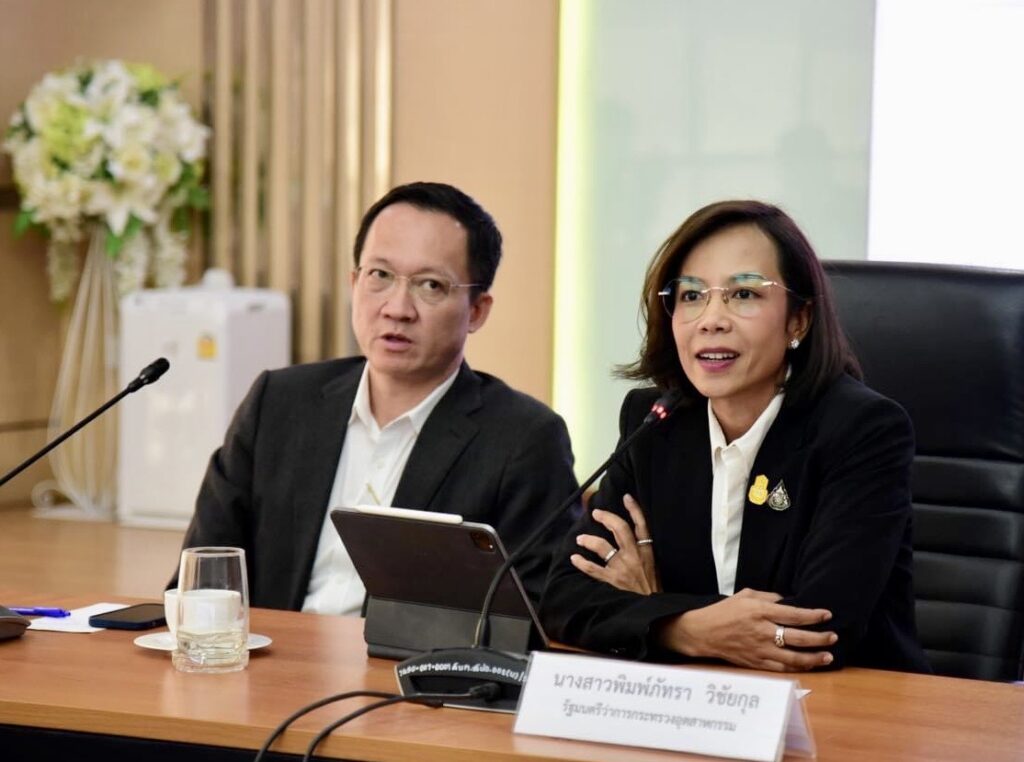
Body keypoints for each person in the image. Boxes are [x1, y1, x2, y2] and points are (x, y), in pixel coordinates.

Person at [540, 200, 931, 673]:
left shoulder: (862, 429)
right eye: (691, 295)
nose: (711, 319)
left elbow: (817, 628)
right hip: (694, 700)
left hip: (852, 703)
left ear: (798, 319)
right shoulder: (654, 422)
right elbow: (560, 596)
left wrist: (653, 605)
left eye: (743, 294)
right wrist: (685, 628)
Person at [177, 181, 578, 614]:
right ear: (354, 282)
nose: (397, 308)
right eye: (380, 276)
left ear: (477, 311)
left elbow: (532, 614)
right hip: (269, 652)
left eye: (431, 285)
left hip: (404, 660)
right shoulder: (278, 404)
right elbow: (203, 579)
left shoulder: (522, 440)